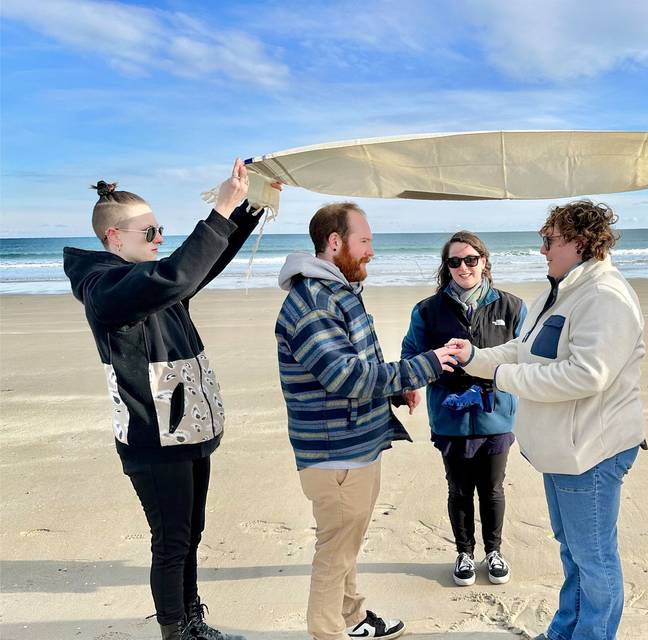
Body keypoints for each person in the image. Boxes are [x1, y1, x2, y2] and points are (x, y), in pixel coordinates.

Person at [63, 159, 271, 640]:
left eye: (162, 230)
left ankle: (192, 619)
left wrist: (251, 207)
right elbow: (177, 275)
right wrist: (220, 207)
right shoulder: (106, 289)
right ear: (114, 237)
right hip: (151, 438)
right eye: (149, 230)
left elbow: (199, 266)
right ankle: (175, 632)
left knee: (190, 534)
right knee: (172, 540)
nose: (159, 238)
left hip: (187, 427)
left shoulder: (144, 279)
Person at [446, 201, 646, 640]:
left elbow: (587, 375)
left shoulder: (604, 296)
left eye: (549, 240)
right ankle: (565, 633)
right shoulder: (559, 290)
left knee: (593, 558)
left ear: (580, 242)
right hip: (562, 450)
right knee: (573, 552)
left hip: (591, 450)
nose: (542, 250)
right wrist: (475, 358)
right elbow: (522, 349)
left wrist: (501, 377)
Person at [275, 202, 459, 640]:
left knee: (346, 548)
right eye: (365, 241)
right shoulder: (313, 303)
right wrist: (426, 365)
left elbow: (360, 362)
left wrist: (397, 386)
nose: (372, 252)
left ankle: (353, 618)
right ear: (334, 243)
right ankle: (328, 633)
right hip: (334, 453)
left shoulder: (338, 292)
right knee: (335, 554)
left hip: (355, 446)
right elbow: (346, 376)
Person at [400, 231, 526, 587]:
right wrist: (413, 381)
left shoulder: (512, 307)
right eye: (454, 261)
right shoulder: (428, 309)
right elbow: (410, 353)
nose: (463, 267)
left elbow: (527, 356)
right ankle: (465, 554)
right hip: (449, 416)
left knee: (492, 487)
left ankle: (495, 552)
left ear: (484, 261)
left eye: (471, 259)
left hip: (496, 414)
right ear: (447, 267)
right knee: (458, 489)